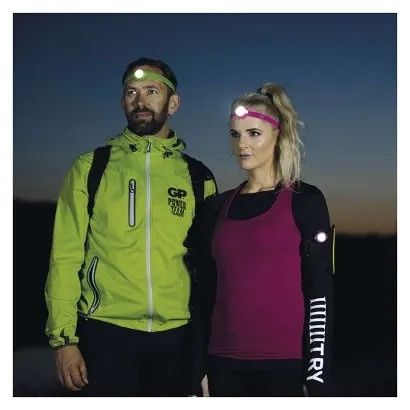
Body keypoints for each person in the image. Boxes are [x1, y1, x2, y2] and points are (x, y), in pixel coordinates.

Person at [44, 57, 217, 397]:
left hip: (177, 338)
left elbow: (211, 268)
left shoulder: (199, 177)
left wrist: (208, 349)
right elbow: (64, 257)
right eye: (131, 92)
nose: (140, 101)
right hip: (104, 332)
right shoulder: (91, 167)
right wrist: (64, 339)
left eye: (151, 91)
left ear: (173, 103)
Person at [196, 83, 335, 397]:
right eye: (235, 134)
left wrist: (316, 374)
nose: (242, 144)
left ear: (277, 133)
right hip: (222, 363)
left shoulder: (305, 201)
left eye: (253, 133)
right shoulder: (215, 208)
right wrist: (198, 367)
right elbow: (204, 293)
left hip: (284, 366)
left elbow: (319, 293)